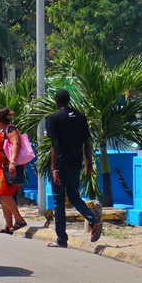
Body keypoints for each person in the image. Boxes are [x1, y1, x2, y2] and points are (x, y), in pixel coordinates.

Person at [45, 89, 102, 248]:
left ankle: (62, 240)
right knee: (74, 196)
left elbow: (54, 144)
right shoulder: (81, 117)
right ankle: (92, 219)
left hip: (60, 164)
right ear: (69, 100)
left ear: (57, 101)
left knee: (59, 202)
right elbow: (87, 142)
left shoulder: (53, 118)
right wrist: (89, 162)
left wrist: (53, 167)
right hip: (76, 163)